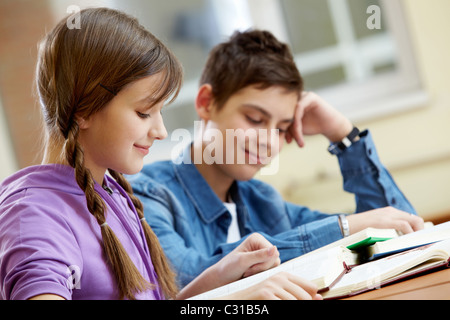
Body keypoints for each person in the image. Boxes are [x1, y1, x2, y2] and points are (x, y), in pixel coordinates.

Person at [0, 8, 322, 300]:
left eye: (160, 113)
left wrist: (222, 278)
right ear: (83, 108)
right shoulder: (34, 215)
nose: (161, 131)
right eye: (143, 113)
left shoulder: (111, 194)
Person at [129, 29, 425, 289]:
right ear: (207, 103)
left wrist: (343, 135)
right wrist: (344, 228)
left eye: (282, 128)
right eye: (255, 119)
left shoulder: (264, 201)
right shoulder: (148, 193)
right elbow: (182, 280)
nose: (269, 142)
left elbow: (402, 230)